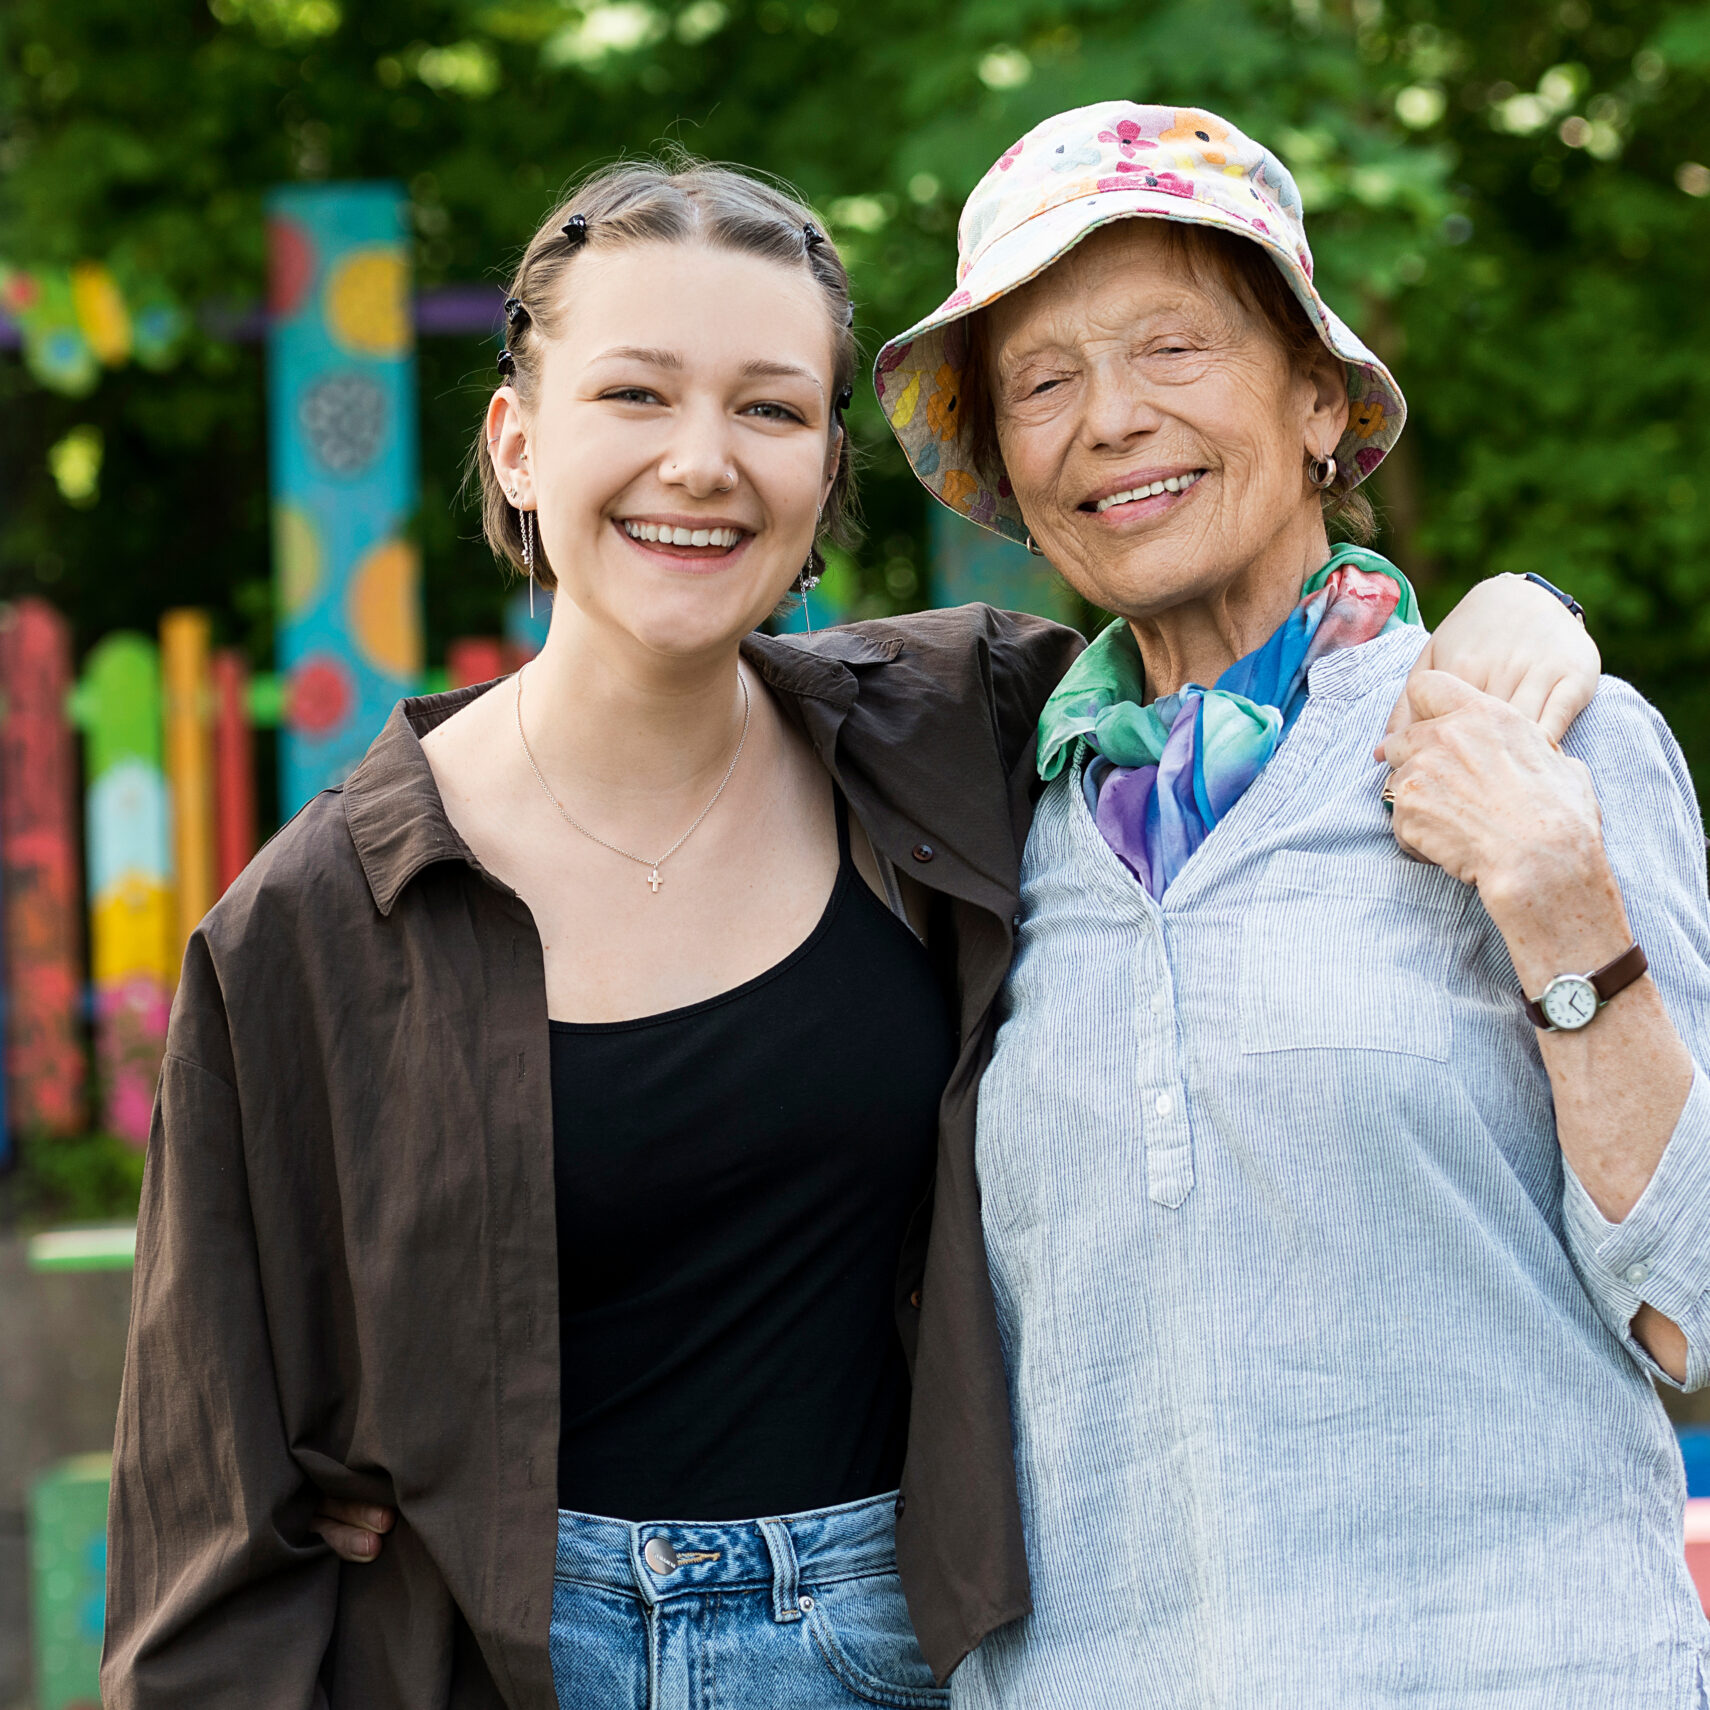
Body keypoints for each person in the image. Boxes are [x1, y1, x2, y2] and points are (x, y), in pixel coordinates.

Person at [102, 156, 1597, 1710]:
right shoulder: (319, 920)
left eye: (766, 408)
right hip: (504, 1662)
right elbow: (210, 1528)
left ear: (826, 466)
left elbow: (1262, 642)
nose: (700, 462)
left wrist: (1520, 606)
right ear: (519, 440)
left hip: (913, 1649)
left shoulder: (958, 738)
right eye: (634, 394)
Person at [873, 102, 1710, 1706]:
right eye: (1041, 381)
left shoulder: (1542, 743)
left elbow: (1698, 1319)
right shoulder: (984, 821)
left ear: (1317, 397)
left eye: (1173, 346)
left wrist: (1553, 896)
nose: (1108, 418)